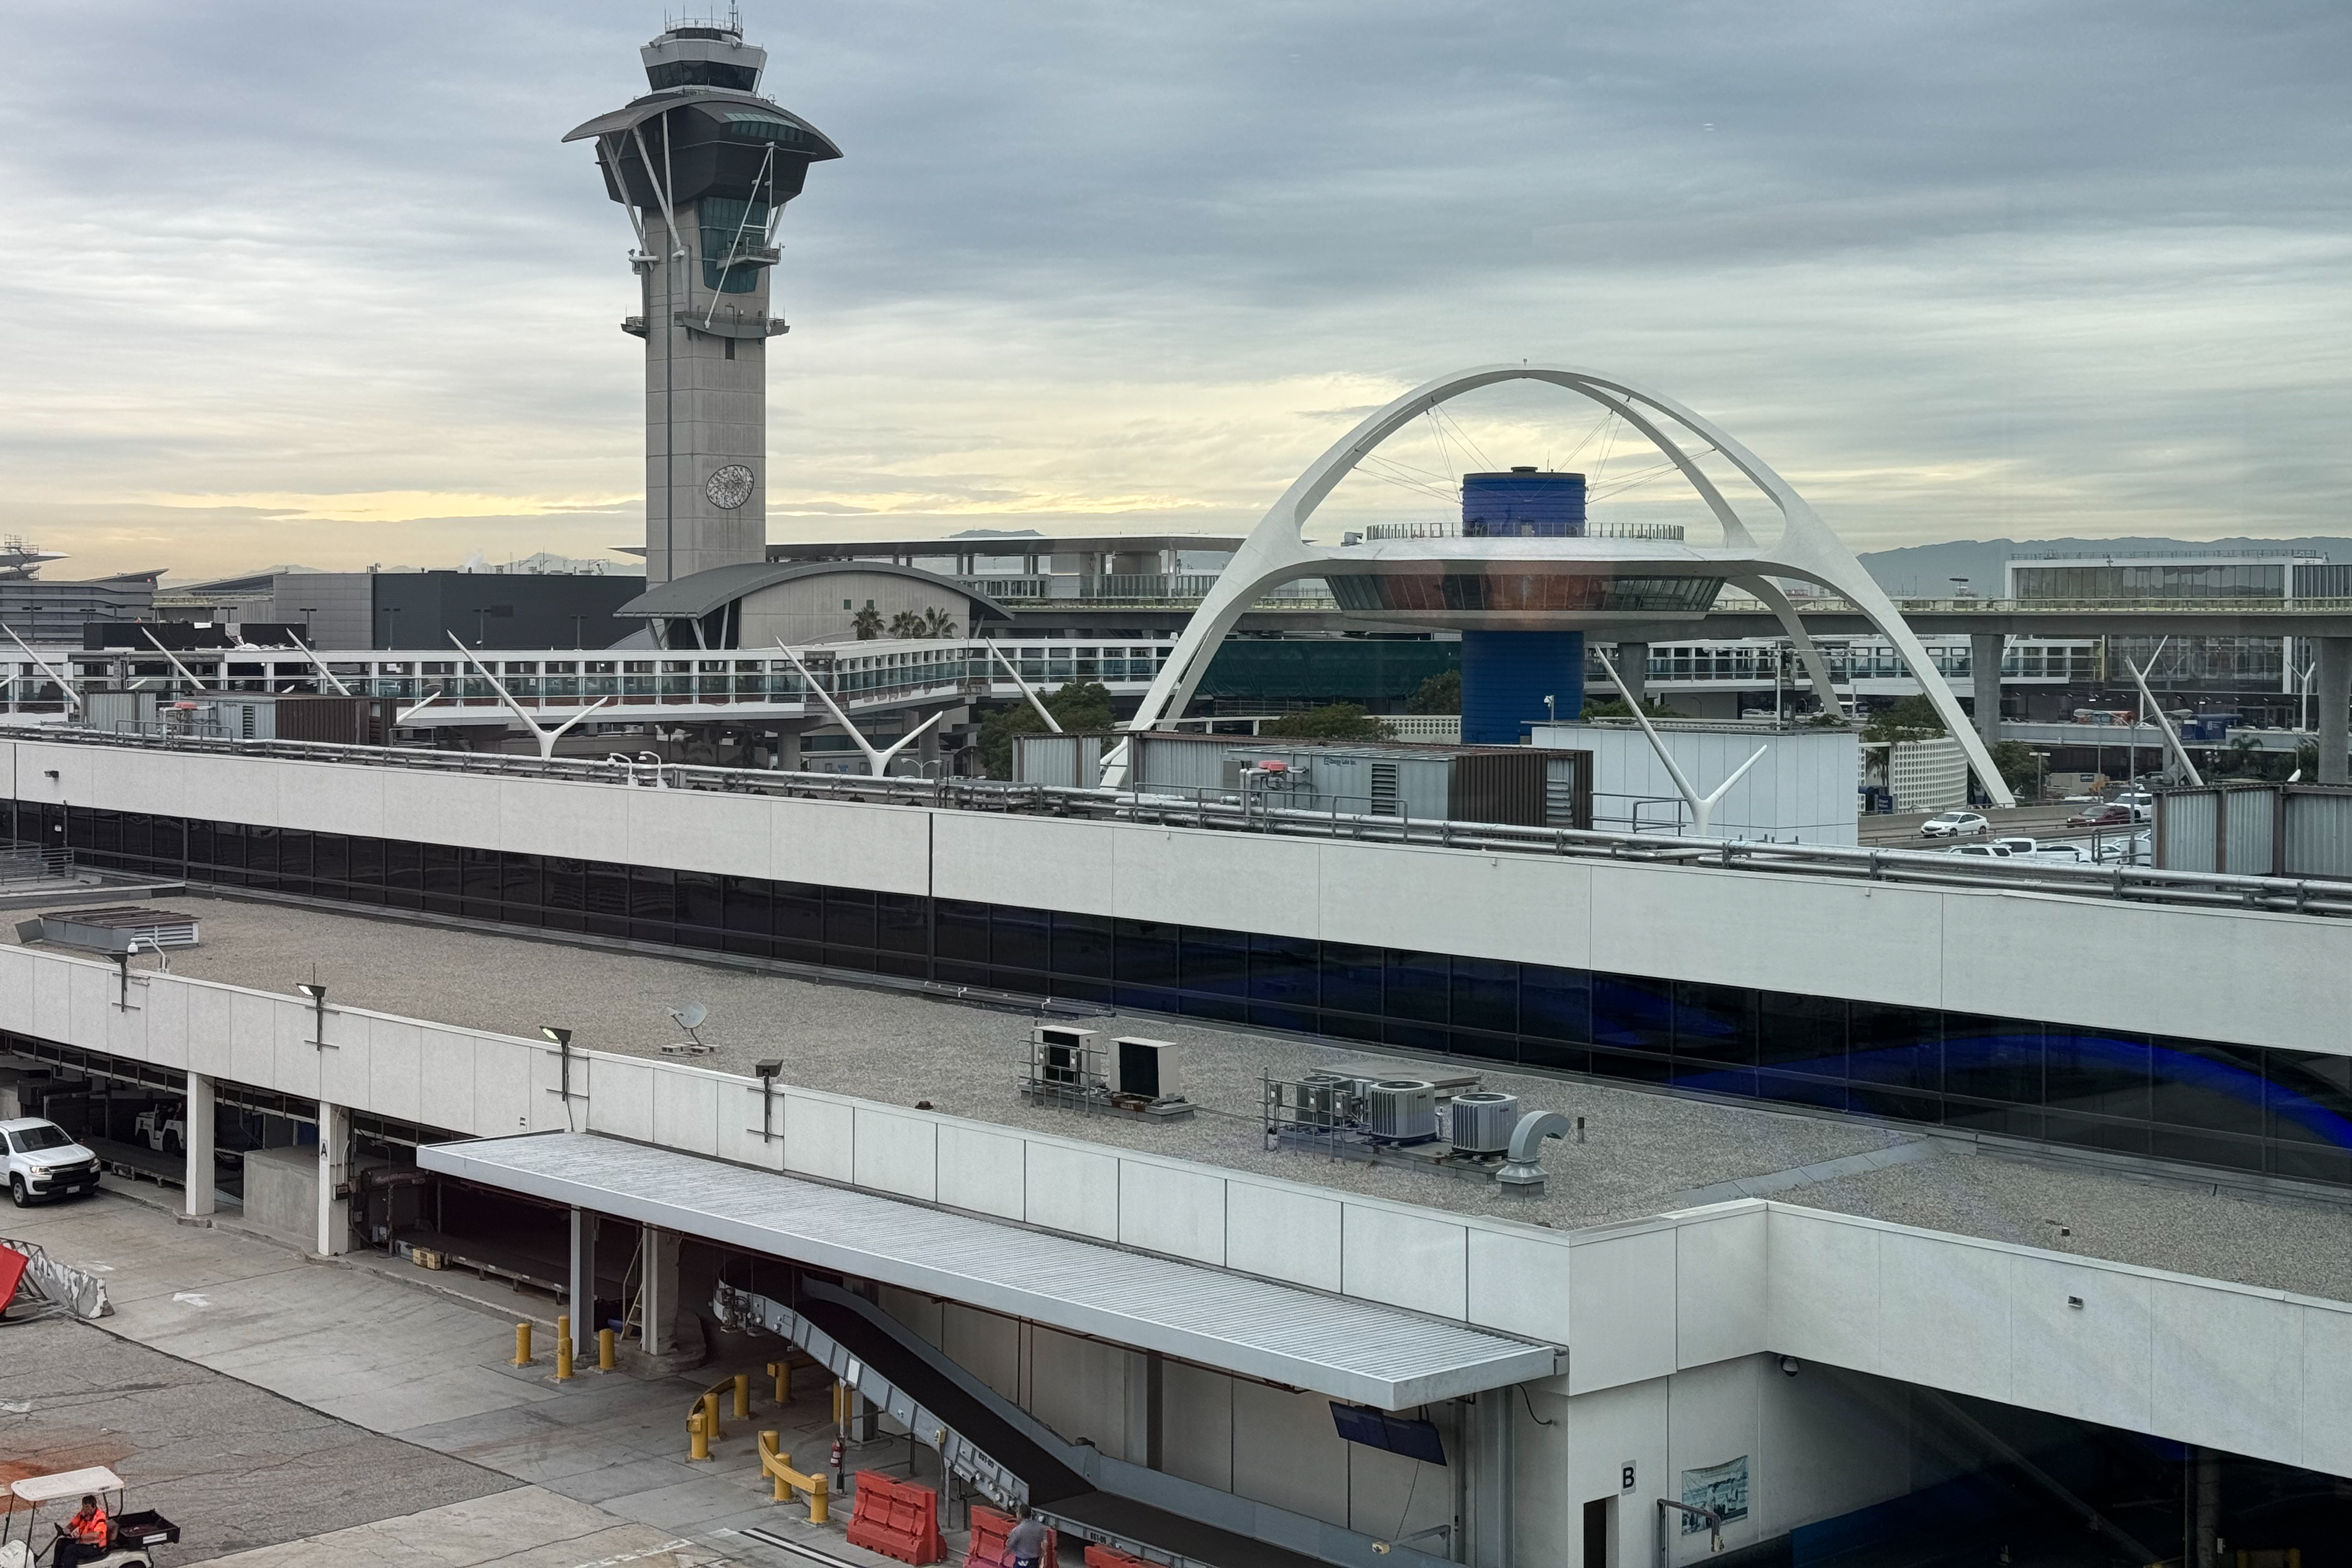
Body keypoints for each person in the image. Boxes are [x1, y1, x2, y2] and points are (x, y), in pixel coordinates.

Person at [54, 1493, 108, 1568]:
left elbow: (97, 1535)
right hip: (83, 1542)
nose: (84, 1509)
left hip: (95, 1546)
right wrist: (65, 1530)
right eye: (83, 1506)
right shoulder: (84, 1514)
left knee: (71, 1549)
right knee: (61, 1543)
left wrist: (81, 1537)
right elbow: (74, 1523)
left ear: (94, 1506)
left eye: (87, 1507)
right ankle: (56, 1567)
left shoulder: (100, 1518)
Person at [1003, 1502, 1051, 1568]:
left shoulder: (1018, 1530)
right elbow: (1045, 1544)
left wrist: (1002, 1558)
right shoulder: (1040, 1527)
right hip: (1034, 1562)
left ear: (1020, 1515)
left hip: (1021, 1562)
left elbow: (1009, 1547)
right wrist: (1043, 1556)